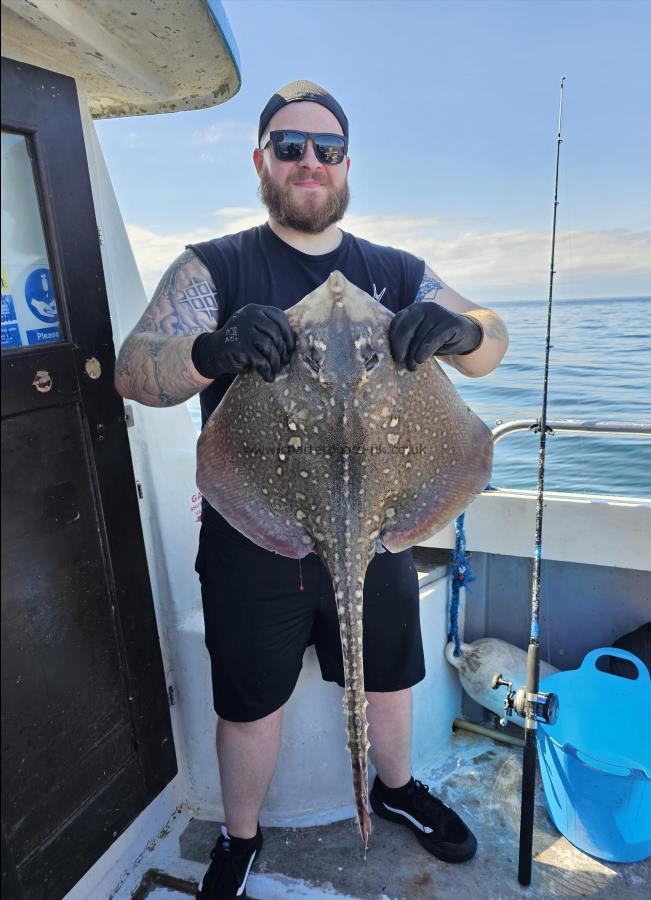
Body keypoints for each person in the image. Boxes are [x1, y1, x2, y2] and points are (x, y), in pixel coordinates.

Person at [115, 80, 508, 899]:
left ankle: (394, 792)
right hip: (253, 527)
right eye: (289, 146)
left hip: (380, 521)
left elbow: (489, 343)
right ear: (262, 160)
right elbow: (132, 369)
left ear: (345, 164)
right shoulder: (215, 265)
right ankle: (239, 837)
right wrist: (211, 350)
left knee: (390, 675)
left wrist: (461, 330)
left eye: (325, 149)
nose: (308, 162)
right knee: (250, 699)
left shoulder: (395, 271)